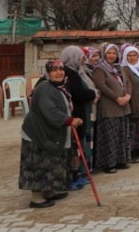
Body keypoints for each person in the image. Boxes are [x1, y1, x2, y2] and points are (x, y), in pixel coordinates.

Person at [19, 59, 84, 209]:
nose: (58, 72)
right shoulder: (44, 88)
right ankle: (37, 198)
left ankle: (49, 191)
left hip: (50, 133)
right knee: (38, 163)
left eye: (61, 69)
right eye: (54, 70)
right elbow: (50, 112)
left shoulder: (60, 87)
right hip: (37, 133)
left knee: (51, 161)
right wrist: (69, 120)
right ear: (48, 73)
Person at [60, 46, 98, 190]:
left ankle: (81, 172)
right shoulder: (69, 73)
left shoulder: (77, 72)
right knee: (75, 146)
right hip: (74, 114)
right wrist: (93, 95)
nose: (83, 60)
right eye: (81, 58)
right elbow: (79, 93)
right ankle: (75, 175)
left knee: (81, 143)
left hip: (81, 112)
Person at [92, 44, 132, 173]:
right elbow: (102, 86)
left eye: (114, 53)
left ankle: (121, 160)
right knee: (110, 137)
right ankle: (109, 164)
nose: (111, 56)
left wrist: (127, 95)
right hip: (110, 107)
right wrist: (117, 98)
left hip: (123, 107)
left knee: (122, 135)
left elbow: (128, 82)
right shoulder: (100, 69)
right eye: (109, 53)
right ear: (104, 54)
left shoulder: (119, 68)